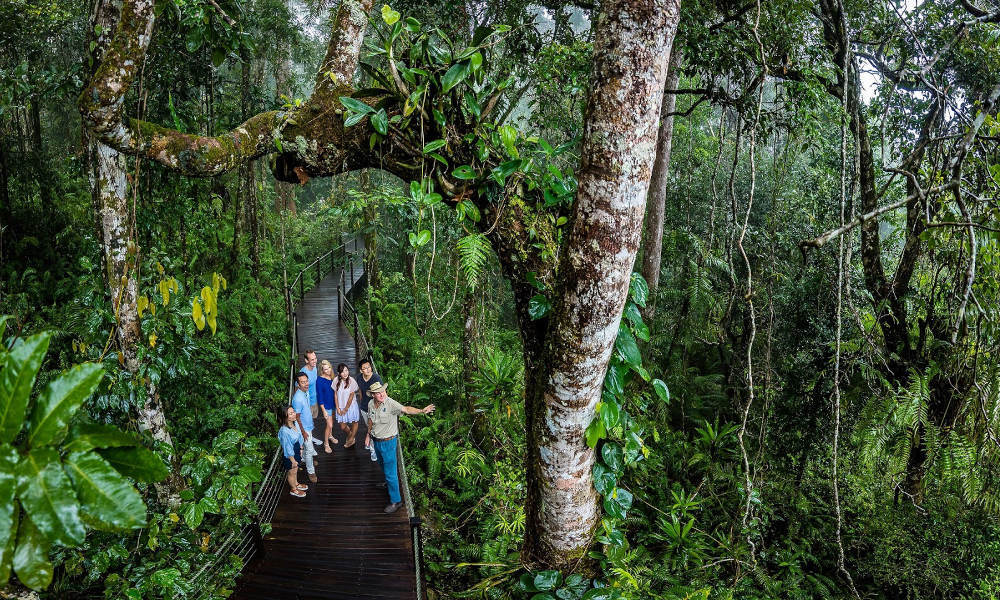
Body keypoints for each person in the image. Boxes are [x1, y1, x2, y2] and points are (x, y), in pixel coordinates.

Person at [364, 381, 435, 513]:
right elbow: (370, 420)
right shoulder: (370, 404)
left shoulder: (390, 403)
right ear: (373, 394)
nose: (382, 394)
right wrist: (368, 435)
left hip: (389, 442)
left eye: (383, 391)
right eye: (378, 392)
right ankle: (388, 483)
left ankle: (396, 501)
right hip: (376, 441)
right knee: (382, 464)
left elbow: (406, 409)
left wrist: (421, 411)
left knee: (391, 472)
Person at [291, 372, 319, 482]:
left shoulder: (305, 391)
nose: (306, 384)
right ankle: (311, 471)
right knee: (309, 449)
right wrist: (303, 432)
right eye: (302, 382)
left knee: (308, 449)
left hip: (308, 425)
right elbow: (296, 417)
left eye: (306, 381)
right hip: (303, 428)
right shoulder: (297, 399)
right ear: (298, 384)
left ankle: (307, 460)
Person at [277, 405, 308, 498]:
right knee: (292, 471)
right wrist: (292, 460)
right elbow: (287, 447)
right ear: (285, 417)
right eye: (291, 413)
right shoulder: (284, 431)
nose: (294, 414)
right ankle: (293, 489)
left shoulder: (293, 424)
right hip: (290, 454)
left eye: (293, 411)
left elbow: (298, 437)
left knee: (295, 469)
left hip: (296, 449)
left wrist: (301, 448)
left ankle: (296, 483)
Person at [356, 357, 382, 461]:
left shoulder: (376, 378)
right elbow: (361, 392)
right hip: (364, 408)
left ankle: (373, 450)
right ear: (361, 370)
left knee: (373, 429)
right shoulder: (359, 378)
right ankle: (371, 443)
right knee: (369, 428)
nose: (368, 369)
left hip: (375, 408)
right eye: (365, 368)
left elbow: (382, 393)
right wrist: (361, 403)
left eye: (369, 367)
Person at [316, 360, 340, 453]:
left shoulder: (332, 377)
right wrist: (323, 410)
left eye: (329, 367)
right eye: (325, 369)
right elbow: (320, 396)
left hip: (333, 403)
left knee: (332, 421)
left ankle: (330, 436)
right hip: (326, 406)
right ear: (322, 370)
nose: (328, 370)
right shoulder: (319, 380)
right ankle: (326, 443)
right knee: (329, 425)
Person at [334, 363, 360, 448]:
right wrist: (337, 408)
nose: (345, 373)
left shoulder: (351, 380)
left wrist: (345, 409)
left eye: (346, 370)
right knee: (342, 426)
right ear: (339, 373)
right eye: (342, 371)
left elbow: (351, 396)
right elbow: (335, 395)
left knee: (354, 422)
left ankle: (351, 439)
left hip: (351, 406)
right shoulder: (336, 380)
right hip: (340, 406)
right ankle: (350, 434)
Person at [300, 351, 322, 444]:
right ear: (306, 360)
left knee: (312, 420)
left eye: (315, 358)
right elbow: (298, 388)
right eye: (312, 359)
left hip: (314, 400)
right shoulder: (303, 373)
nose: (315, 361)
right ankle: (305, 443)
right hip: (307, 402)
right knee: (306, 423)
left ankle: (310, 437)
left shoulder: (314, 368)